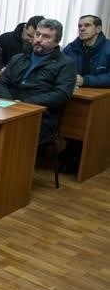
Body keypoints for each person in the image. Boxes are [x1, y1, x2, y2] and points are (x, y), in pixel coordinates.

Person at [0, 18, 76, 142]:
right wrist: (11, 103)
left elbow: (61, 94)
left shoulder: (66, 64)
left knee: (13, 135)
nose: (39, 39)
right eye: (38, 34)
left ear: (56, 41)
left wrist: (24, 103)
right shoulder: (18, 58)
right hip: (7, 108)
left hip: (40, 116)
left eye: (46, 37)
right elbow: (2, 82)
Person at [58, 15, 110, 173]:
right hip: (75, 93)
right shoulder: (72, 47)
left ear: (98, 29)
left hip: (100, 98)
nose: (82, 29)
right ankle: (71, 149)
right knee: (70, 120)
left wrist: (87, 80)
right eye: (80, 26)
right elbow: (60, 64)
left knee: (84, 125)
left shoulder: (108, 48)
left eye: (87, 25)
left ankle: (80, 155)